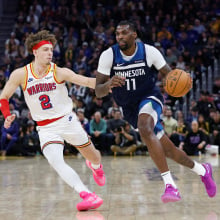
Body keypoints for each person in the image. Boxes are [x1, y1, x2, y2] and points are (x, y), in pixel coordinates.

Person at [95, 20, 216, 203]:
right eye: (118, 34)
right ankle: (203, 170)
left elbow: (170, 75)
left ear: (134, 34)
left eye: (124, 33)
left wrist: (182, 79)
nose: (120, 37)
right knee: (169, 151)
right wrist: (109, 84)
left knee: (145, 127)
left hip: (150, 98)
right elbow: (98, 91)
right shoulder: (108, 55)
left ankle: (170, 186)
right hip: (129, 108)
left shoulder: (149, 51)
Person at [0, 30, 105, 211]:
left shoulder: (58, 71)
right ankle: (87, 194)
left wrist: (106, 84)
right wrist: (7, 113)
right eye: (46, 50)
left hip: (67, 121)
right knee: (55, 161)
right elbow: (4, 96)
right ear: (35, 52)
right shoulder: (21, 74)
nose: (50, 53)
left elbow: (85, 81)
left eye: (51, 50)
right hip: (46, 128)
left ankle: (95, 166)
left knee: (94, 155)